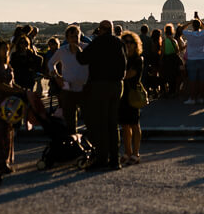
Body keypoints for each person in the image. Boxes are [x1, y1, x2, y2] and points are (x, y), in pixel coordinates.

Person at [75, 20, 126, 171]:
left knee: (101, 124)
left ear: (101, 30)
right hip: (117, 85)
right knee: (113, 123)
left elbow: (83, 60)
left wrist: (77, 49)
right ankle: (115, 159)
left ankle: (102, 158)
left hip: (101, 85)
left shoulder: (98, 43)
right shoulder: (119, 43)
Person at [0, 40, 26, 174]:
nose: (6, 51)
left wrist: (22, 90)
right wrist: (14, 91)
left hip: (8, 104)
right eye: (3, 49)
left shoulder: (8, 66)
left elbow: (12, 83)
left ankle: (6, 160)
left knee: (7, 133)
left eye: (7, 49)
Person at [47, 25, 88, 135]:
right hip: (68, 87)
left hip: (85, 88)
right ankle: (72, 141)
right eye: (72, 37)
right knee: (70, 119)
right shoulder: (62, 51)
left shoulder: (87, 48)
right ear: (67, 38)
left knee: (89, 118)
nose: (75, 39)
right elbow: (51, 63)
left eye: (77, 36)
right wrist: (56, 77)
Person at [118, 31, 144, 165]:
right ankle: (127, 152)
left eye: (130, 43)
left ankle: (136, 152)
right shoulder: (121, 58)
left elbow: (128, 74)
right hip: (122, 94)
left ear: (135, 45)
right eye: (125, 42)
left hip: (132, 94)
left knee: (134, 124)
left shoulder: (138, 59)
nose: (127, 45)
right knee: (125, 125)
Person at [177, 19, 204, 104]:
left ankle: (192, 98)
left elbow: (180, 29)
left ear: (192, 26)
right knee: (201, 80)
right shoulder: (203, 34)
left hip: (191, 59)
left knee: (192, 80)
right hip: (201, 59)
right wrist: (200, 20)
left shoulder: (189, 34)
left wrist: (189, 22)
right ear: (199, 26)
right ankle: (201, 98)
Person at [161, 25, 182, 98]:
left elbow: (163, 51)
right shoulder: (174, 41)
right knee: (173, 76)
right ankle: (172, 92)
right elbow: (177, 51)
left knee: (166, 75)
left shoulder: (164, 41)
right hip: (173, 60)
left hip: (167, 59)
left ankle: (166, 92)